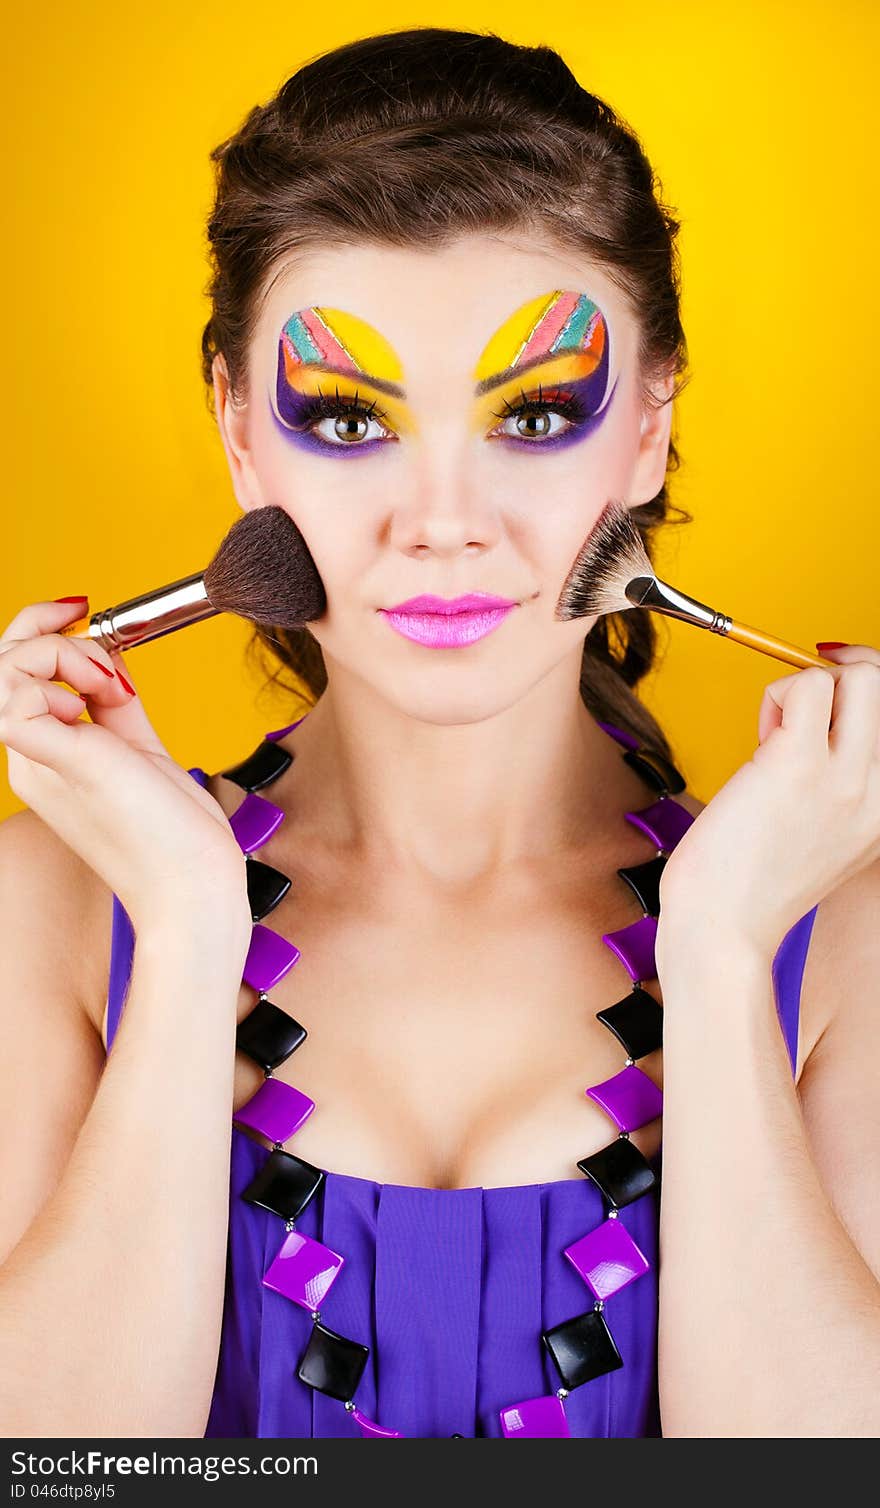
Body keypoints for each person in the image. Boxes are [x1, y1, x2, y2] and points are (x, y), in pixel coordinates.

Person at [0, 28, 878, 1441]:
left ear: (649, 426)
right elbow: (55, 1473)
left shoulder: (837, 938)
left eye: (536, 413)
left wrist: (716, 952)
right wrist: (183, 930)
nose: (446, 521)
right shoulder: (48, 915)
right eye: (349, 422)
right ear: (239, 430)